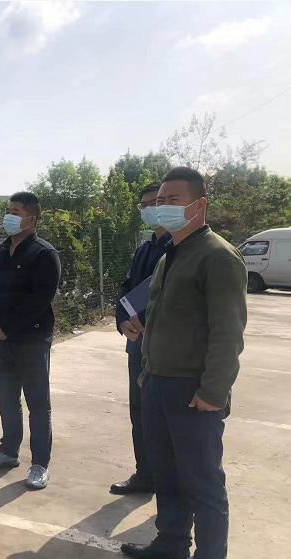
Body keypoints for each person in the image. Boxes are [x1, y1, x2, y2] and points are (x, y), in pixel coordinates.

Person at [121, 167, 247, 559]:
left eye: (172, 200)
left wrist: (213, 392)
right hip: (158, 383)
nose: (162, 207)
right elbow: (156, 321)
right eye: (159, 200)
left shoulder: (218, 257)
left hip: (193, 391)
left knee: (202, 482)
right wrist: (147, 372)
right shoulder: (169, 257)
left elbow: (228, 333)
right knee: (168, 475)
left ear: (199, 204)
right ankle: (171, 543)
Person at [0, 192, 61, 490]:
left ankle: (40, 463)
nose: (8, 217)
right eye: (8, 211)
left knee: (37, 402)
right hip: (0, 339)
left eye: (15, 212)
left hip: (31, 339)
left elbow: (40, 299)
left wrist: (8, 327)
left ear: (31, 219)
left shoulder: (44, 255)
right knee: (6, 397)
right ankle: (8, 451)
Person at [110, 183, 171, 496]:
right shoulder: (144, 249)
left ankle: (171, 485)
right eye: (144, 204)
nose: (150, 209)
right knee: (140, 411)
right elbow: (127, 288)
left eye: (156, 202)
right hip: (137, 344)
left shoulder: (180, 248)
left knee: (168, 417)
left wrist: (142, 319)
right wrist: (123, 320)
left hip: (167, 347)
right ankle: (145, 474)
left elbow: (169, 297)